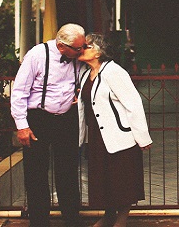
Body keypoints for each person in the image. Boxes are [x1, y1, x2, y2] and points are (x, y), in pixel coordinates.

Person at [10, 22, 87, 227]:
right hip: (39, 119)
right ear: (62, 46)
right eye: (77, 48)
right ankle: (39, 222)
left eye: (83, 47)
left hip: (66, 118)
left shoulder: (78, 57)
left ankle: (72, 220)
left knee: (68, 171)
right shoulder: (37, 55)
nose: (81, 51)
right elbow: (19, 92)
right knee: (36, 173)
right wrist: (22, 126)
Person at [77, 33, 152, 227]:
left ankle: (121, 219)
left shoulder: (114, 72)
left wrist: (142, 137)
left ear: (98, 51)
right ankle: (108, 215)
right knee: (103, 179)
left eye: (85, 46)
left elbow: (133, 104)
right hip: (96, 135)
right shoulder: (86, 73)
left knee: (122, 180)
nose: (81, 49)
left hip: (119, 134)